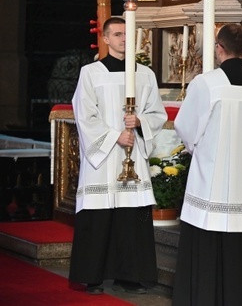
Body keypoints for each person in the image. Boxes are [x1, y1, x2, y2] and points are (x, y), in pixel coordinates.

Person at [172, 24, 242, 305]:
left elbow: (185, 126)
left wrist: (199, 150)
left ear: (219, 49)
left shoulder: (206, 83)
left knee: (211, 236)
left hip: (214, 182)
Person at [69, 16, 167, 295]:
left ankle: (131, 276)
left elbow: (156, 112)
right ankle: (93, 276)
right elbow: (84, 113)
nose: (124, 39)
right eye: (118, 34)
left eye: (128, 34)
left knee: (130, 215)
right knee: (99, 216)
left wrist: (138, 124)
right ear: (106, 38)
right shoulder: (91, 73)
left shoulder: (145, 74)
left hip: (133, 153)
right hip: (103, 157)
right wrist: (114, 136)